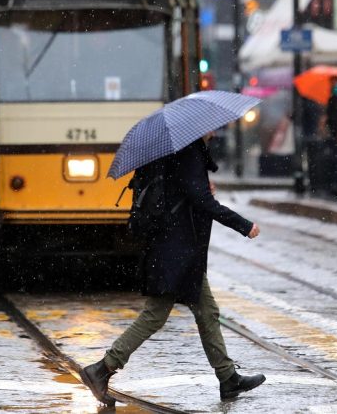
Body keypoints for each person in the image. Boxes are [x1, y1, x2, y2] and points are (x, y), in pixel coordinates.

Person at [80, 131, 265, 404]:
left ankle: (227, 378)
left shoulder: (178, 151)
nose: (216, 130)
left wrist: (200, 187)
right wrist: (243, 224)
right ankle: (102, 368)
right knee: (155, 315)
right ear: (202, 127)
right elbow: (201, 201)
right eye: (213, 127)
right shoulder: (189, 152)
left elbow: (185, 193)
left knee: (207, 311)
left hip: (176, 249)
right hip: (175, 252)